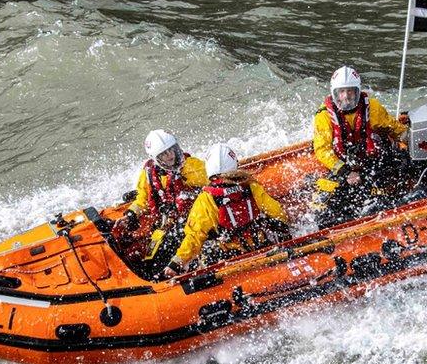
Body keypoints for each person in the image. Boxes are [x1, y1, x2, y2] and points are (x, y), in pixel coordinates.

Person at [163, 143, 288, 277]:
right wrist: (283, 232)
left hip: (228, 253)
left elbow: (195, 236)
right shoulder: (251, 186)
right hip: (259, 244)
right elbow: (277, 213)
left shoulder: (206, 199)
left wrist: (177, 262)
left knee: (206, 248)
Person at [311, 65, 409, 227]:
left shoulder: (373, 108)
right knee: (322, 212)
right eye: (341, 92)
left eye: (350, 91)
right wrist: (346, 172)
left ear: (357, 91)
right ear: (334, 93)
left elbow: (396, 129)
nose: (346, 96)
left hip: (371, 163)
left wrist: (412, 141)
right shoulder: (323, 117)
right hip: (342, 168)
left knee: (381, 201)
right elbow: (322, 151)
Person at [116, 129, 208, 273]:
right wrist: (131, 214)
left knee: (175, 251)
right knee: (151, 262)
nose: (170, 155)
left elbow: (212, 182)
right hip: (166, 224)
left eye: (171, 150)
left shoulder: (192, 167)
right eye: (164, 154)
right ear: (156, 158)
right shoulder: (149, 174)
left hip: (192, 219)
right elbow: (143, 198)